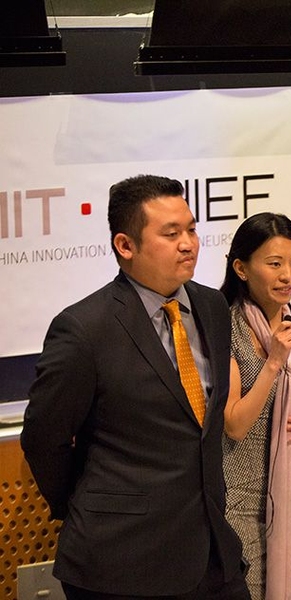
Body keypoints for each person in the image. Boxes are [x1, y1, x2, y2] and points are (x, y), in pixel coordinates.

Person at [20, 175, 249, 598]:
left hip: (212, 556)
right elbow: (42, 438)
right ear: (126, 246)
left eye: (192, 229)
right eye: (171, 233)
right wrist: (91, 503)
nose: (189, 243)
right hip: (120, 562)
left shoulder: (212, 306)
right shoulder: (84, 329)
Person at [219, 212, 291, 600]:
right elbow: (234, 424)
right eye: (275, 263)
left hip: (284, 496)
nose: (288, 275)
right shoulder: (226, 327)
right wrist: (273, 361)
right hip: (237, 501)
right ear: (241, 269)